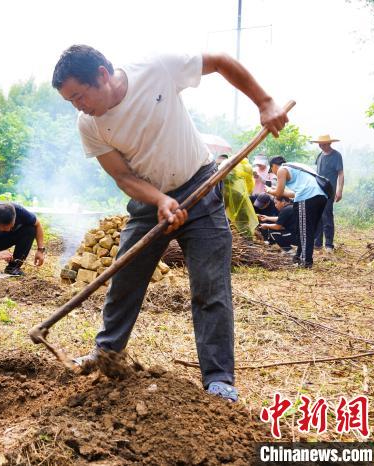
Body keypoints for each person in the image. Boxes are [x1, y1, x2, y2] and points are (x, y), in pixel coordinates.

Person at [52, 44, 288, 402]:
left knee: (210, 287)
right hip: (150, 201)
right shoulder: (89, 123)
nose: (78, 106)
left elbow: (220, 61)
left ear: (102, 74)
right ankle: (107, 352)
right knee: (125, 276)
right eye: (70, 100)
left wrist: (265, 102)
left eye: (80, 95)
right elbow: (122, 176)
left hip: (201, 186)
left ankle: (218, 379)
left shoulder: (155, 67)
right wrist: (160, 200)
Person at [266, 156, 327, 268]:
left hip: (308, 196)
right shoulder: (295, 167)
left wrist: (270, 190)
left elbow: (279, 193)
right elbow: (292, 194)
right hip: (321, 196)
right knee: (305, 230)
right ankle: (299, 257)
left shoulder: (281, 169)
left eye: (271, 170)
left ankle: (305, 261)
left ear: (273, 165)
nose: (273, 173)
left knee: (304, 231)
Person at [312, 134, 344, 252]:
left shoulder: (336, 155)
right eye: (320, 144)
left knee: (327, 215)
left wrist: (339, 190)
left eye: (324, 144)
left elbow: (340, 173)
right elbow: (317, 173)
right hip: (318, 190)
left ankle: (329, 244)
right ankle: (318, 242)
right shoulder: (320, 155)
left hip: (329, 190)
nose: (322, 146)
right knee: (318, 215)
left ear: (329, 144)